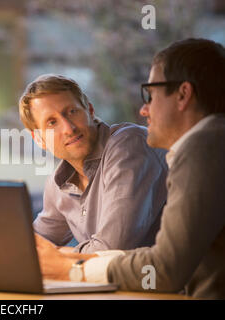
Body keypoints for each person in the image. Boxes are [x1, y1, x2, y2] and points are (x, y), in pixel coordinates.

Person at [35, 38, 225, 299]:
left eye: (151, 94)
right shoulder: (212, 144)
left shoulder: (203, 148)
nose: (144, 109)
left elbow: (165, 269)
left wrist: (73, 267)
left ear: (182, 95)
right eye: (52, 122)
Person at [19, 74, 168, 254]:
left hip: (163, 280)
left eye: (72, 111)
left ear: (90, 110)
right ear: (39, 139)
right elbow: (30, 247)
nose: (68, 128)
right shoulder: (59, 184)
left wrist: (59, 255)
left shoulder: (129, 146)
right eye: (52, 122)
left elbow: (111, 248)